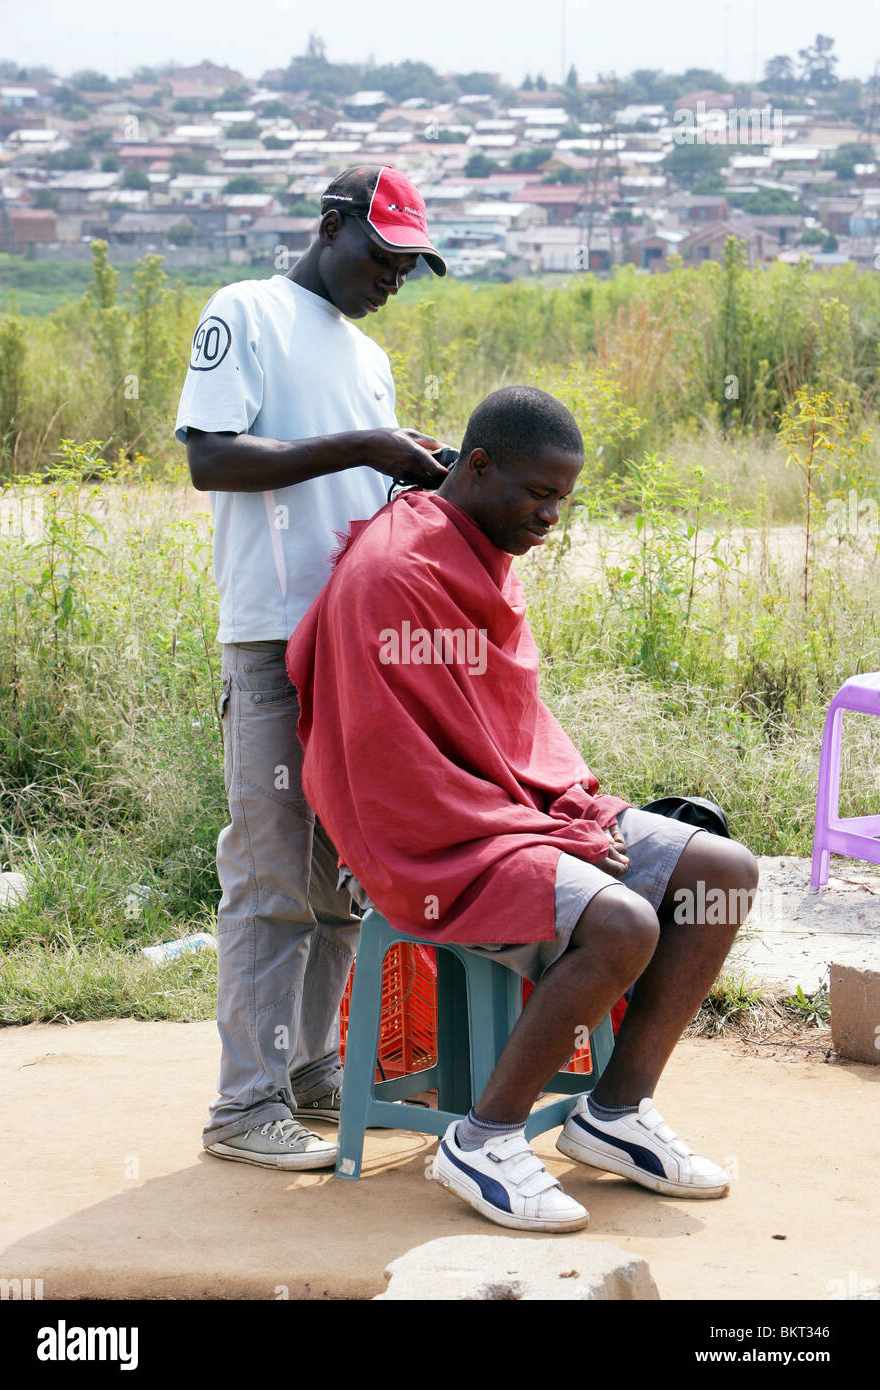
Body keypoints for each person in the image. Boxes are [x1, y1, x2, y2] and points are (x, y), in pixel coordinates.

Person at [286, 384, 760, 1231]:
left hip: (520, 810)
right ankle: (482, 1139)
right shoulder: (397, 573)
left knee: (720, 869)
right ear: (476, 466)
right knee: (622, 925)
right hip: (432, 841)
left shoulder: (475, 552)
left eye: (562, 502)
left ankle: (612, 1115)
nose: (549, 518)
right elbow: (393, 773)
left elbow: (507, 729)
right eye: (538, 495)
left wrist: (567, 816)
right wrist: (549, 834)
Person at [174, 165, 450, 1170]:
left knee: (342, 875)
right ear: (329, 227)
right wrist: (363, 446)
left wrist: (417, 470)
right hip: (271, 640)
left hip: (351, 649)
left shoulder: (369, 356)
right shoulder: (246, 311)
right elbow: (212, 457)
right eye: (382, 256)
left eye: (410, 265)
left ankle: (310, 1067)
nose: (394, 278)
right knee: (268, 877)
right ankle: (243, 1107)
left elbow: (362, 496)